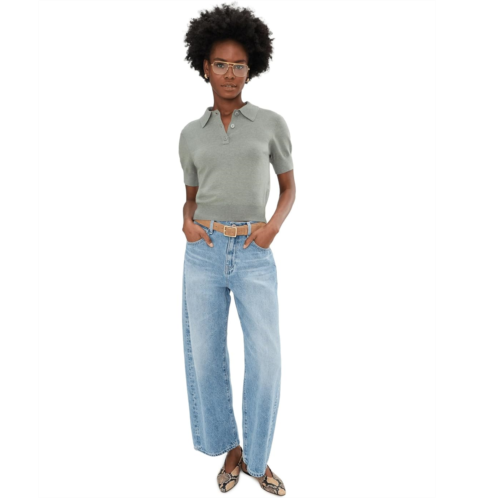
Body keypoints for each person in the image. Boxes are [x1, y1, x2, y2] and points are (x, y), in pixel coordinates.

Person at [179, 3, 296, 494]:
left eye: (239, 65)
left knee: (265, 360)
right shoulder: (190, 135)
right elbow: (190, 197)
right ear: (205, 66)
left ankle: (257, 458)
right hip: (203, 252)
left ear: (252, 69)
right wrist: (186, 222)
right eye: (221, 64)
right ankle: (230, 447)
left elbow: (289, 188)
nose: (230, 74)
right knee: (205, 359)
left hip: (253, 250)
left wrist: (271, 229)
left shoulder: (270, 124)